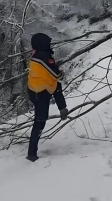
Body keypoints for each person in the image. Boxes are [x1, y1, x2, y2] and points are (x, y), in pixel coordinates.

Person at [26, 33, 69, 162]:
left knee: (56, 87)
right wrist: (61, 73)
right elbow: (57, 75)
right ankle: (31, 154)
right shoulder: (43, 57)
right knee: (40, 122)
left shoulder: (36, 54)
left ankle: (63, 108)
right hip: (40, 92)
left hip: (35, 89)